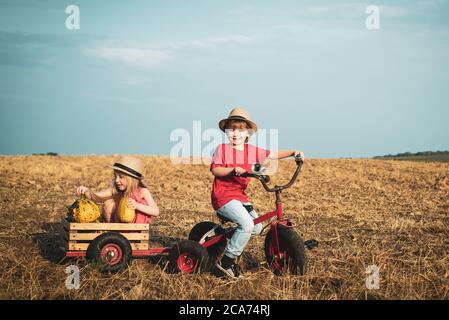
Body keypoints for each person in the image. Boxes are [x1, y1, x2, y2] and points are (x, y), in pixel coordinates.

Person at [211, 107, 304, 278]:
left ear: (247, 133)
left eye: (240, 130)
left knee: (257, 227)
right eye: (231, 129)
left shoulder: (252, 151)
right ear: (226, 131)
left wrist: (293, 152)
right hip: (223, 196)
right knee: (247, 224)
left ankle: (228, 237)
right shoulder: (222, 149)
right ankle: (226, 263)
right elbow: (216, 170)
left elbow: (272, 154)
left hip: (240, 197)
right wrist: (232, 169)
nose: (235, 133)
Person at [76, 156, 159, 223]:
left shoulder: (143, 191)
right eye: (115, 176)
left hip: (138, 232)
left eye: (121, 177)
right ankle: (112, 235)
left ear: (132, 179)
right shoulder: (116, 191)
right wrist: (86, 191)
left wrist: (137, 205)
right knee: (108, 203)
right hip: (119, 232)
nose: (116, 180)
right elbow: (95, 196)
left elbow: (156, 211)